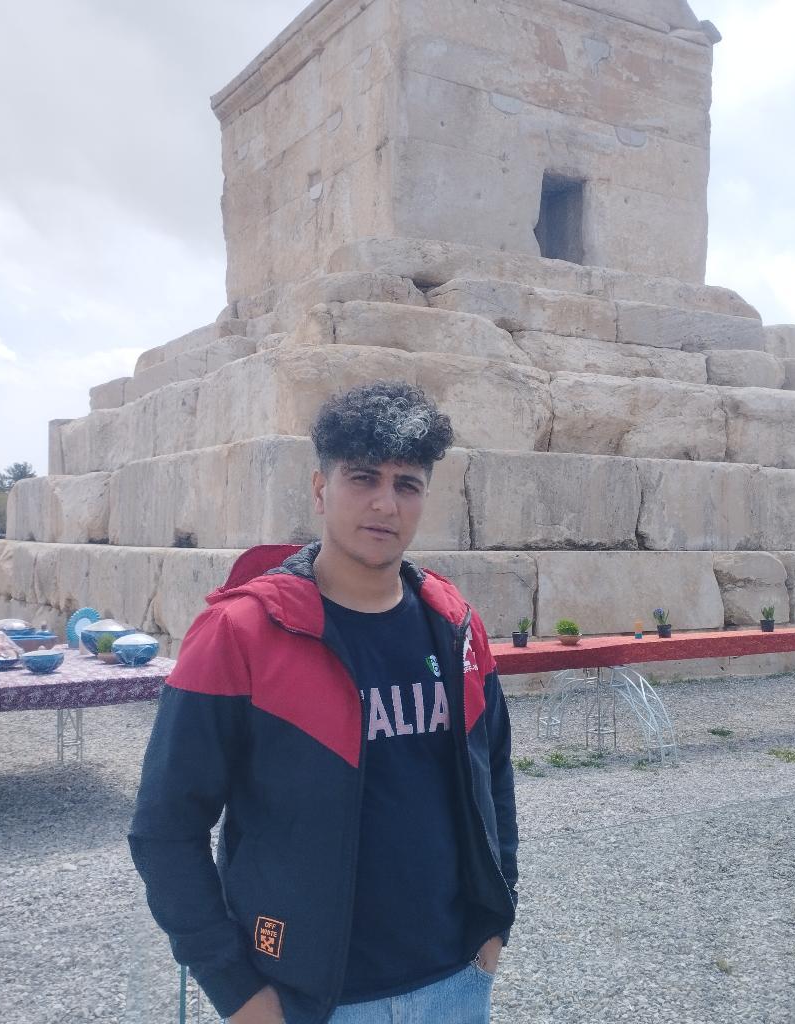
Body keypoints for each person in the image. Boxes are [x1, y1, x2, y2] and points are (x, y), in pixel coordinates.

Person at [129, 380, 518, 1024]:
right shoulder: (239, 633)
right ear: (319, 488)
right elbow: (165, 827)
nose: (385, 503)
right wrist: (237, 990)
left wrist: (496, 923)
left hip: (455, 983)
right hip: (306, 999)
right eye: (362, 478)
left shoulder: (456, 626)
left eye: (407, 484)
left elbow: (494, 776)